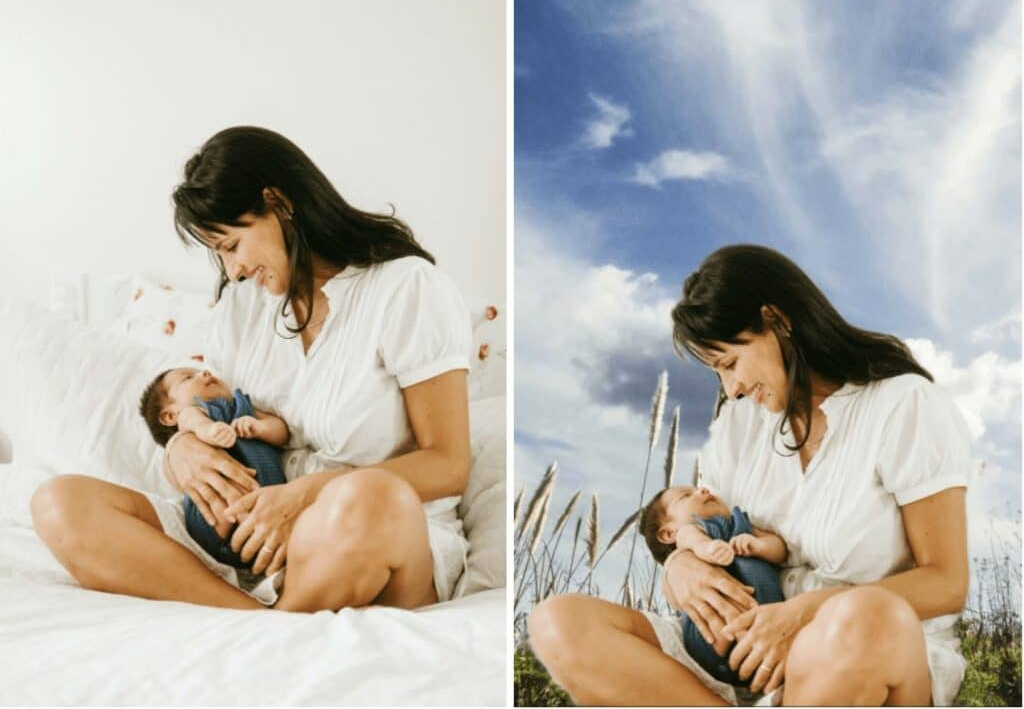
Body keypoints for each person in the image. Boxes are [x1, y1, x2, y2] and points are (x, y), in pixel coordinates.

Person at [30, 125, 472, 613]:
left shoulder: (406, 288)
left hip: (369, 535)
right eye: (219, 254)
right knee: (59, 503)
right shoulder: (242, 309)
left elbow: (448, 463)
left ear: (277, 201)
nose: (234, 270)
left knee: (372, 497)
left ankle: (276, 621)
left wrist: (306, 496)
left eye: (232, 245)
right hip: (252, 542)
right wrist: (181, 448)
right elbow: (210, 414)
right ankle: (255, 621)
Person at [528, 244, 971, 706]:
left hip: (859, 652)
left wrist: (802, 615)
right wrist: (681, 566)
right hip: (743, 654)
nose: (732, 389)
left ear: (776, 319)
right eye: (718, 373)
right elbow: (702, 527)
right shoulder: (740, 425)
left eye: (730, 363)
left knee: (866, 614)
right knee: (558, 621)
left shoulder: (902, 405)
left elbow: (945, 581)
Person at [138, 367, 289, 568]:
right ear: (170, 415)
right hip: (215, 524)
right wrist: (209, 430)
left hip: (272, 510)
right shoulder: (194, 413)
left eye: (201, 371)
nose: (205, 373)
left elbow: (282, 431)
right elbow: (193, 421)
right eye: (188, 377)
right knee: (217, 497)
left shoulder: (242, 406)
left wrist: (259, 428)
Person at [639, 485, 786, 688]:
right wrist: (706, 547)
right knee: (715, 617)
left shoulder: (741, 524)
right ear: (668, 533)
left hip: (771, 625)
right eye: (686, 496)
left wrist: (758, 546)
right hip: (712, 637)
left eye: (697, 489)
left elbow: (780, 548)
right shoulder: (694, 531)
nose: (703, 490)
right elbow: (689, 537)